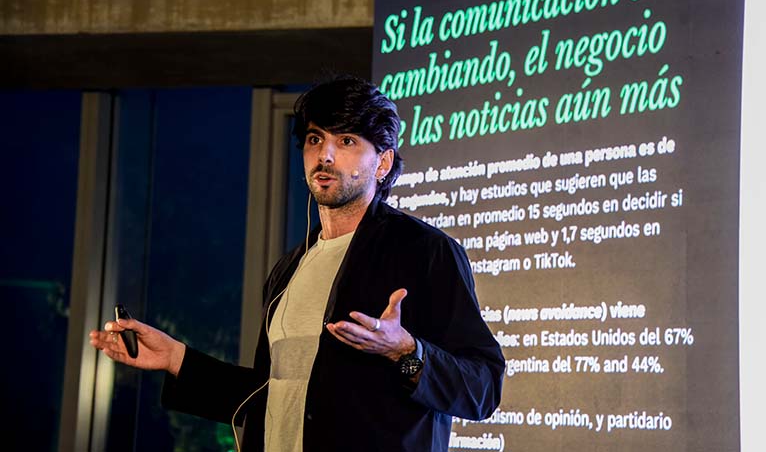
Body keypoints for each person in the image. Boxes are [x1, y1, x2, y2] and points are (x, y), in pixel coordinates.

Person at [90, 75, 504, 452]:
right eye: (314, 139)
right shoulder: (290, 268)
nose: (325, 155)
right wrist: (176, 358)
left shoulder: (425, 251)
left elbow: (482, 389)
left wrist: (405, 352)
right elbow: (271, 393)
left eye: (346, 141)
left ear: (382, 163)